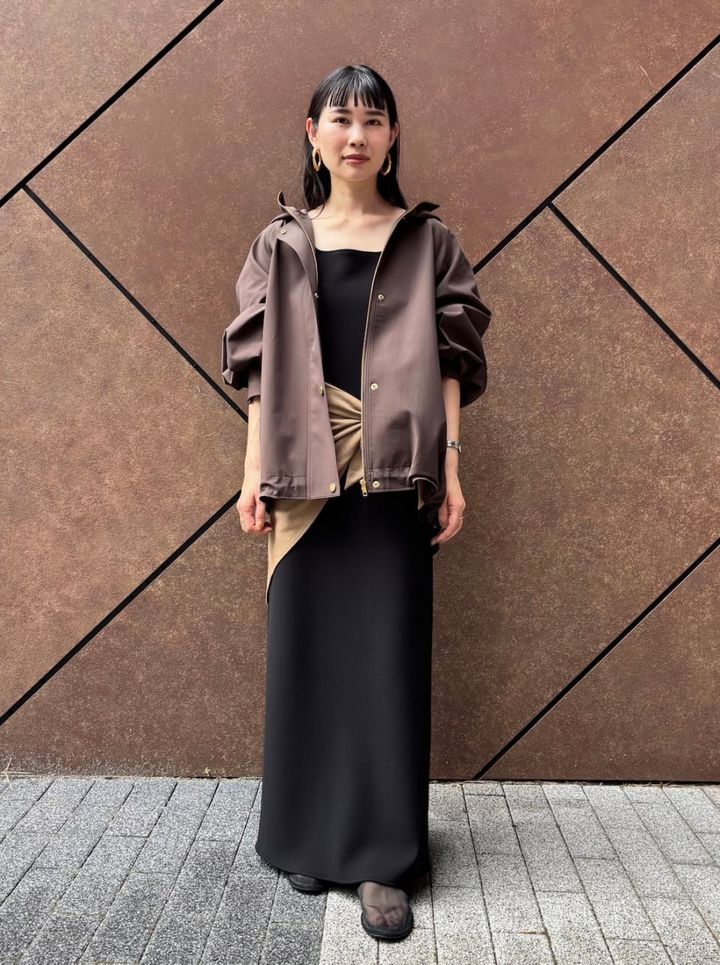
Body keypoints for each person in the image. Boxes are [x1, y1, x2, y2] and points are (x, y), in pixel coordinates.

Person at [221, 64, 492, 942]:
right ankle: (304, 836)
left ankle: (383, 856)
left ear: (393, 136)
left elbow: (451, 361)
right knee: (306, 650)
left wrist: (452, 467)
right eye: (341, 119)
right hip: (303, 470)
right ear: (312, 134)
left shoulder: (429, 242)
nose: (357, 136)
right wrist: (252, 471)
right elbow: (257, 370)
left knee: (385, 656)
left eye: (374, 121)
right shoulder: (279, 243)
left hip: (396, 469)